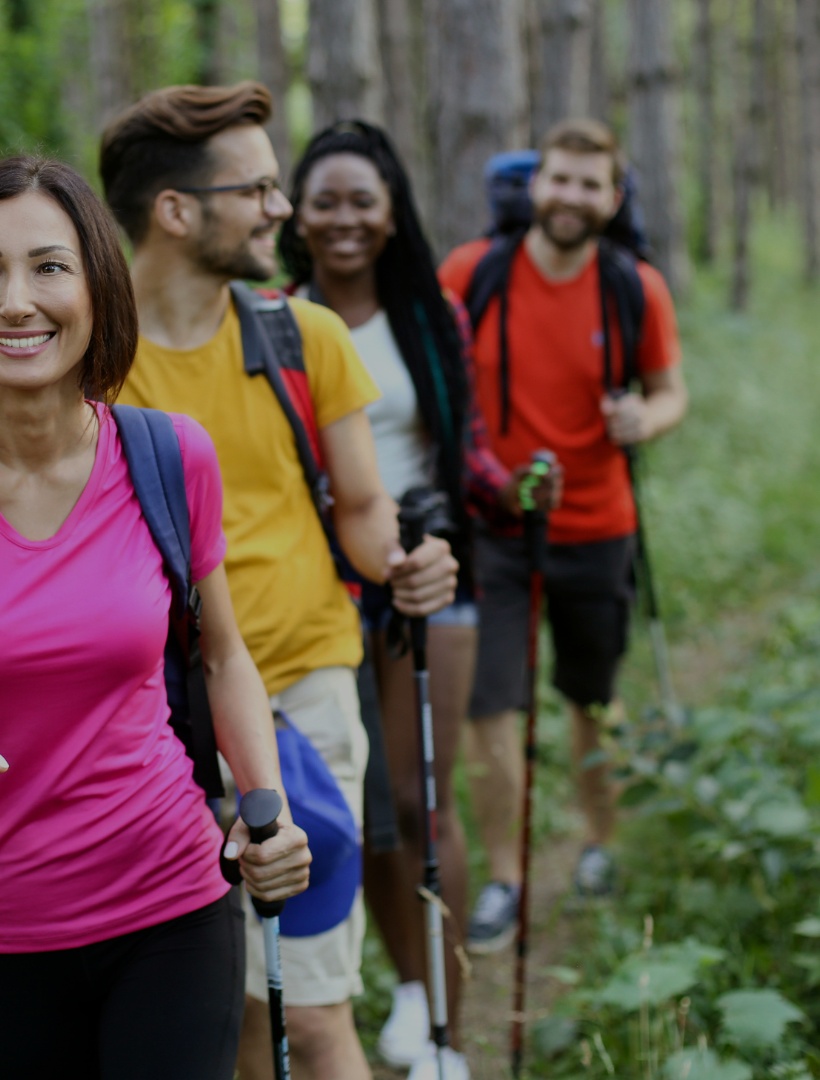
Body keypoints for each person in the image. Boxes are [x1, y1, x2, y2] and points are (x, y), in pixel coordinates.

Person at [0, 156, 312, 1080]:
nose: (16, 301)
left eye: (50, 267)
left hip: (173, 895)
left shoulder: (172, 456)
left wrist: (268, 813)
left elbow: (222, 661)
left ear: (98, 289)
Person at [99, 84, 459, 1080]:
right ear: (176, 210)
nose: (280, 208)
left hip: (301, 696)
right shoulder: (89, 361)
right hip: (146, 730)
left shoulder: (306, 337)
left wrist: (401, 560)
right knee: (229, 1007)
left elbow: (359, 506)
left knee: (311, 1003)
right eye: (256, 187)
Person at [278, 119, 518, 1080]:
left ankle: (449, 1031)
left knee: (422, 798)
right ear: (298, 212)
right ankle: (412, 991)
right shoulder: (271, 314)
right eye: (325, 200)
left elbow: (466, 445)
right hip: (326, 581)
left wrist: (509, 493)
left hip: (428, 570)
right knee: (363, 807)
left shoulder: (429, 311)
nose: (343, 219)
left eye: (361, 201)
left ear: (391, 213)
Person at [439, 118, 688, 952]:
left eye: (591, 184)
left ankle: (599, 846)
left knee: (591, 700)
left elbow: (670, 391)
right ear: (532, 185)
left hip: (598, 524)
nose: (572, 197)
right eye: (560, 179)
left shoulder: (634, 287)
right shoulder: (473, 273)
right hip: (494, 526)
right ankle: (507, 879)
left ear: (614, 199)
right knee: (489, 708)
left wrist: (641, 419)